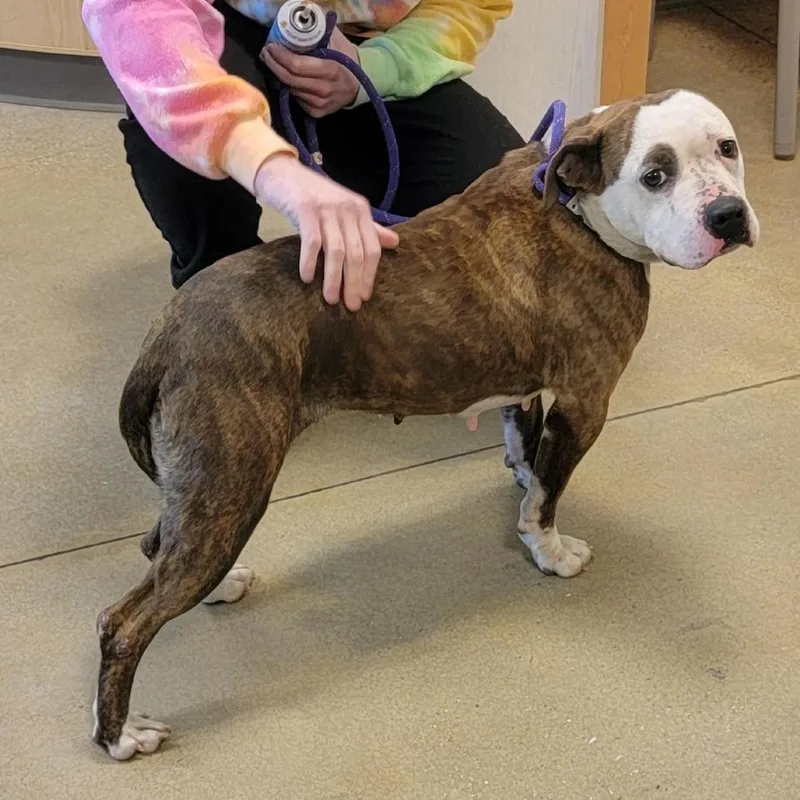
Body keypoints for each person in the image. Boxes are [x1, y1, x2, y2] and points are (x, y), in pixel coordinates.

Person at [83, 0, 522, 310]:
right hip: (223, 27)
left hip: (372, 44)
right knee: (175, 134)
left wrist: (372, 71)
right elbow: (134, 10)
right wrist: (266, 164)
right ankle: (217, 289)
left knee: (497, 213)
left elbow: (470, 5)